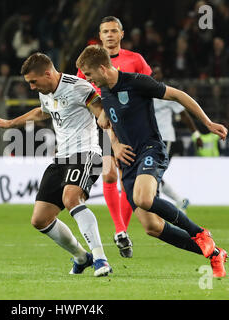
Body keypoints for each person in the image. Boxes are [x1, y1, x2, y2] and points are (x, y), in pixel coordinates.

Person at [76, 45, 228, 277]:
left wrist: (206, 124)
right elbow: (108, 124)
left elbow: (178, 95)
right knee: (152, 227)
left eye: (89, 75)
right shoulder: (104, 90)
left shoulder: (137, 82)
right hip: (127, 162)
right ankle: (215, 254)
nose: (88, 80)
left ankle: (199, 232)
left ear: (103, 69)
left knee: (143, 198)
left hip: (151, 149)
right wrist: (115, 145)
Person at [0, 53, 112, 277]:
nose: (32, 87)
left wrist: (110, 135)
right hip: (61, 159)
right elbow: (42, 112)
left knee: (71, 198)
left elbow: (100, 111)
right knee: (40, 219)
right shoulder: (47, 92)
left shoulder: (78, 87)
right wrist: (10, 123)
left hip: (86, 154)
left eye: (33, 82)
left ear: (48, 73)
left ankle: (101, 259)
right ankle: (82, 257)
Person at [77, 16, 152, 258]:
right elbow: (82, 93)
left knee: (126, 179)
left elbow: (149, 86)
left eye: (113, 31)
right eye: (105, 31)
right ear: (100, 36)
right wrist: (98, 111)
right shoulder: (87, 63)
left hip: (130, 126)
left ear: (121, 34)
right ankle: (120, 230)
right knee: (109, 172)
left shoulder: (135, 60)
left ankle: (121, 231)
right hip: (102, 124)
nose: (109, 35)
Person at [152, 64, 204, 211]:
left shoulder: (167, 93)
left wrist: (196, 134)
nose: (155, 75)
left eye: (158, 73)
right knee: (150, 173)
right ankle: (179, 200)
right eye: (153, 73)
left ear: (162, 75)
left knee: (155, 173)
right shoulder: (145, 93)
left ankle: (159, 207)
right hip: (149, 138)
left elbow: (184, 115)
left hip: (165, 138)